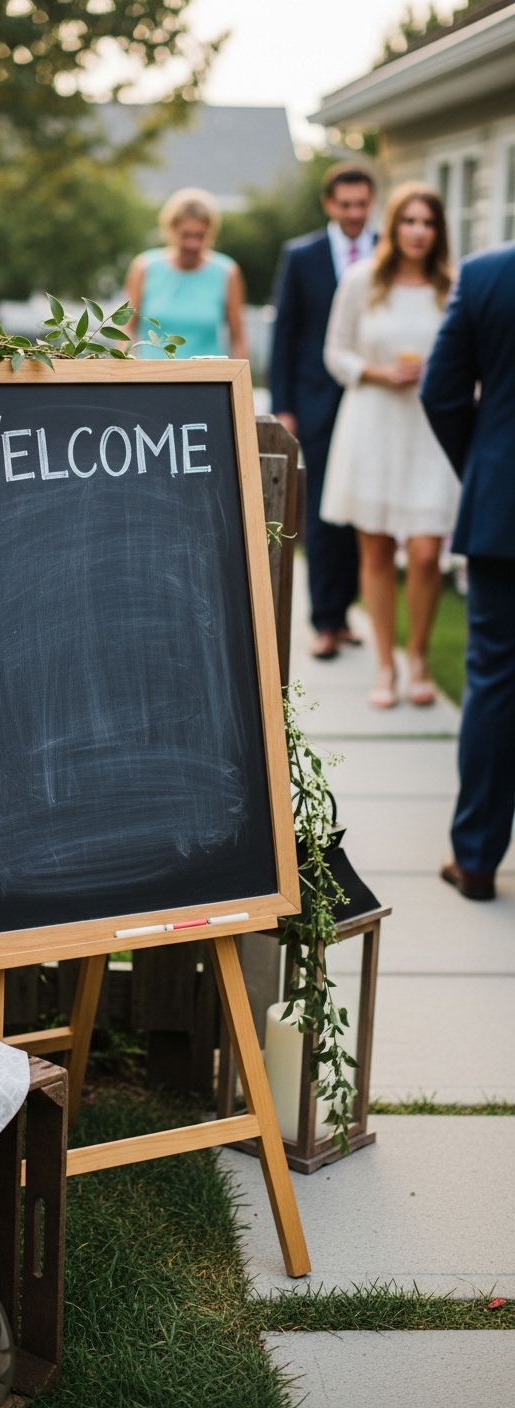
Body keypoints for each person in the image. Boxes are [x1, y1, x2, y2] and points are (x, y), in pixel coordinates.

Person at [321, 182, 459, 709]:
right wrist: (377, 372)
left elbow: (471, 359)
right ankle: (385, 664)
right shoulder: (362, 281)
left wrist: (441, 376)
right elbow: (335, 352)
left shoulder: (453, 285)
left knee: (426, 552)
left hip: (429, 429)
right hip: (373, 421)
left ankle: (417, 655)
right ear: (393, 226)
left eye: (428, 222)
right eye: (409, 221)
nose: (418, 231)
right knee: (375, 549)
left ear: (438, 230)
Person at [421, 243, 515, 902]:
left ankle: (477, 860)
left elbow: (441, 391)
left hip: (504, 506)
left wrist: (484, 464)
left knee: (497, 677)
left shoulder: (486, 275)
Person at [270, 162, 377, 660]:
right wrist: (285, 406)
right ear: (329, 204)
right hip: (313, 403)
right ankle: (323, 622)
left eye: (362, 204)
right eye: (346, 204)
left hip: (370, 403)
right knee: (319, 513)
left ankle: (345, 610)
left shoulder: (386, 254)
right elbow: (285, 332)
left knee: (359, 509)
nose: (355, 214)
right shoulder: (302, 255)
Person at [125, 187, 248, 360]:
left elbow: (238, 340)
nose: (193, 244)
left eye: (200, 236)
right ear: (171, 230)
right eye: (186, 235)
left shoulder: (227, 272)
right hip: (152, 379)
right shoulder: (143, 267)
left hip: (208, 381)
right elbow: (127, 330)